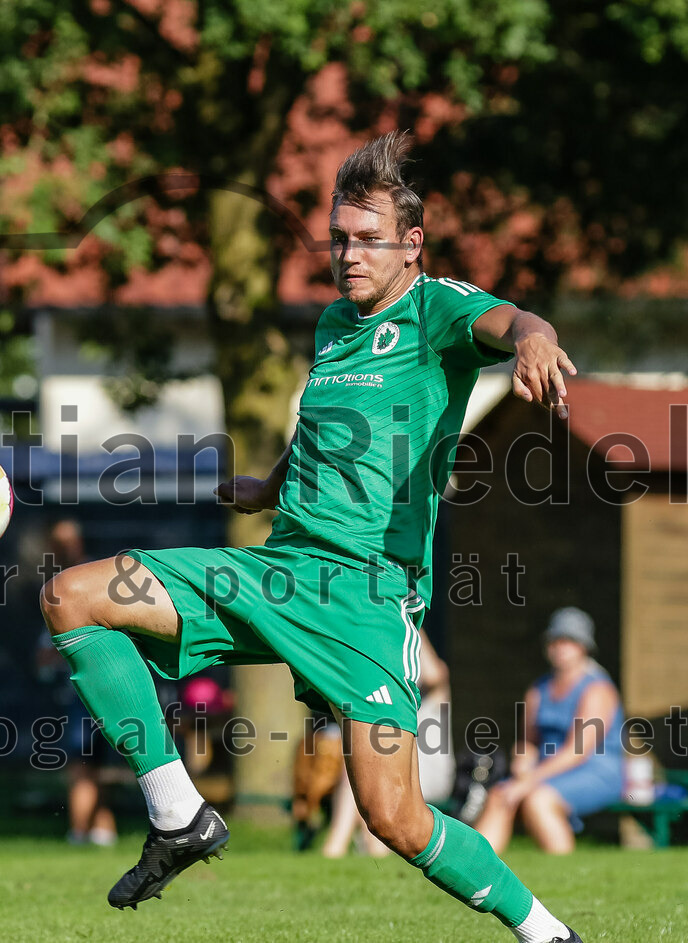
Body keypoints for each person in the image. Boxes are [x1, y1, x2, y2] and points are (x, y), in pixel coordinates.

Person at [40, 131, 583, 942]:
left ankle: (547, 932)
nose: (349, 255)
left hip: (366, 595)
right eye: (338, 239)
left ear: (411, 245)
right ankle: (178, 810)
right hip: (281, 570)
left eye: (367, 239)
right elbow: (325, 424)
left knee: (396, 817)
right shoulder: (333, 325)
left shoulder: (436, 308)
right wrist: (269, 485)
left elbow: (512, 320)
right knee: (72, 595)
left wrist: (534, 336)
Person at [476, 607, 623, 855]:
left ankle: (564, 872)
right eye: (555, 640)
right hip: (547, 772)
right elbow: (528, 742)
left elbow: (578, 752)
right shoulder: (539, 689)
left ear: (583, 646)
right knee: (499, 795)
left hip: (595, 772)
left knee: (539, 800)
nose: (560, 647)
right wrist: (522, 763)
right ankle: (477, 868)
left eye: (569, 641)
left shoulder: (598, 689)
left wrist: (529, 781)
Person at [321, 630, 454, 858]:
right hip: (392, 768)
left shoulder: (432, 690)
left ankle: (337, 845)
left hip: (426, 773)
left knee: (367, 764)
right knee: (366, 763)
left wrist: (406, 618)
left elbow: (434, 674)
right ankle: (365, 849)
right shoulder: (384, 692)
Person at [36, 519, 117, 846]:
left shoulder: (94, 582)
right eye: (58, 543)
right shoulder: (54, 591)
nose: (66, 549)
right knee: (85, 763)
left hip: (103, 689)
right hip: (75, 694)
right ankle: (91, 832)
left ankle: (88, 831)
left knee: (93, 762)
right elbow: (43, 656)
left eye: (71, 541)